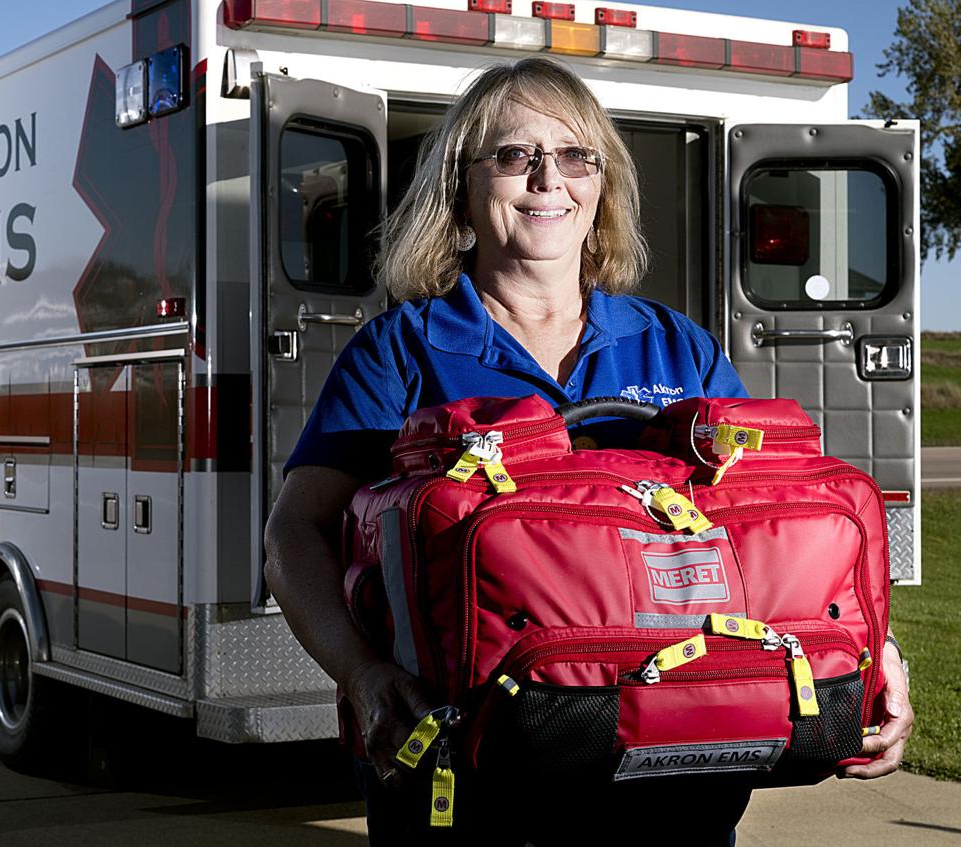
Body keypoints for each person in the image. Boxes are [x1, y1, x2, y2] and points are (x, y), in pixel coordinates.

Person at [264, 57, 913, 845]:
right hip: (471, 784)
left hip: (672, 780)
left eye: (576, 156)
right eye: (514, 155)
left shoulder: (678, 349)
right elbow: (293, 534)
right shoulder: (400, 351)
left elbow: (766, 526)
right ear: (461, 190)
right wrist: (362, 675)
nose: (548, 178)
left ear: (601, 190)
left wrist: (877, 654)